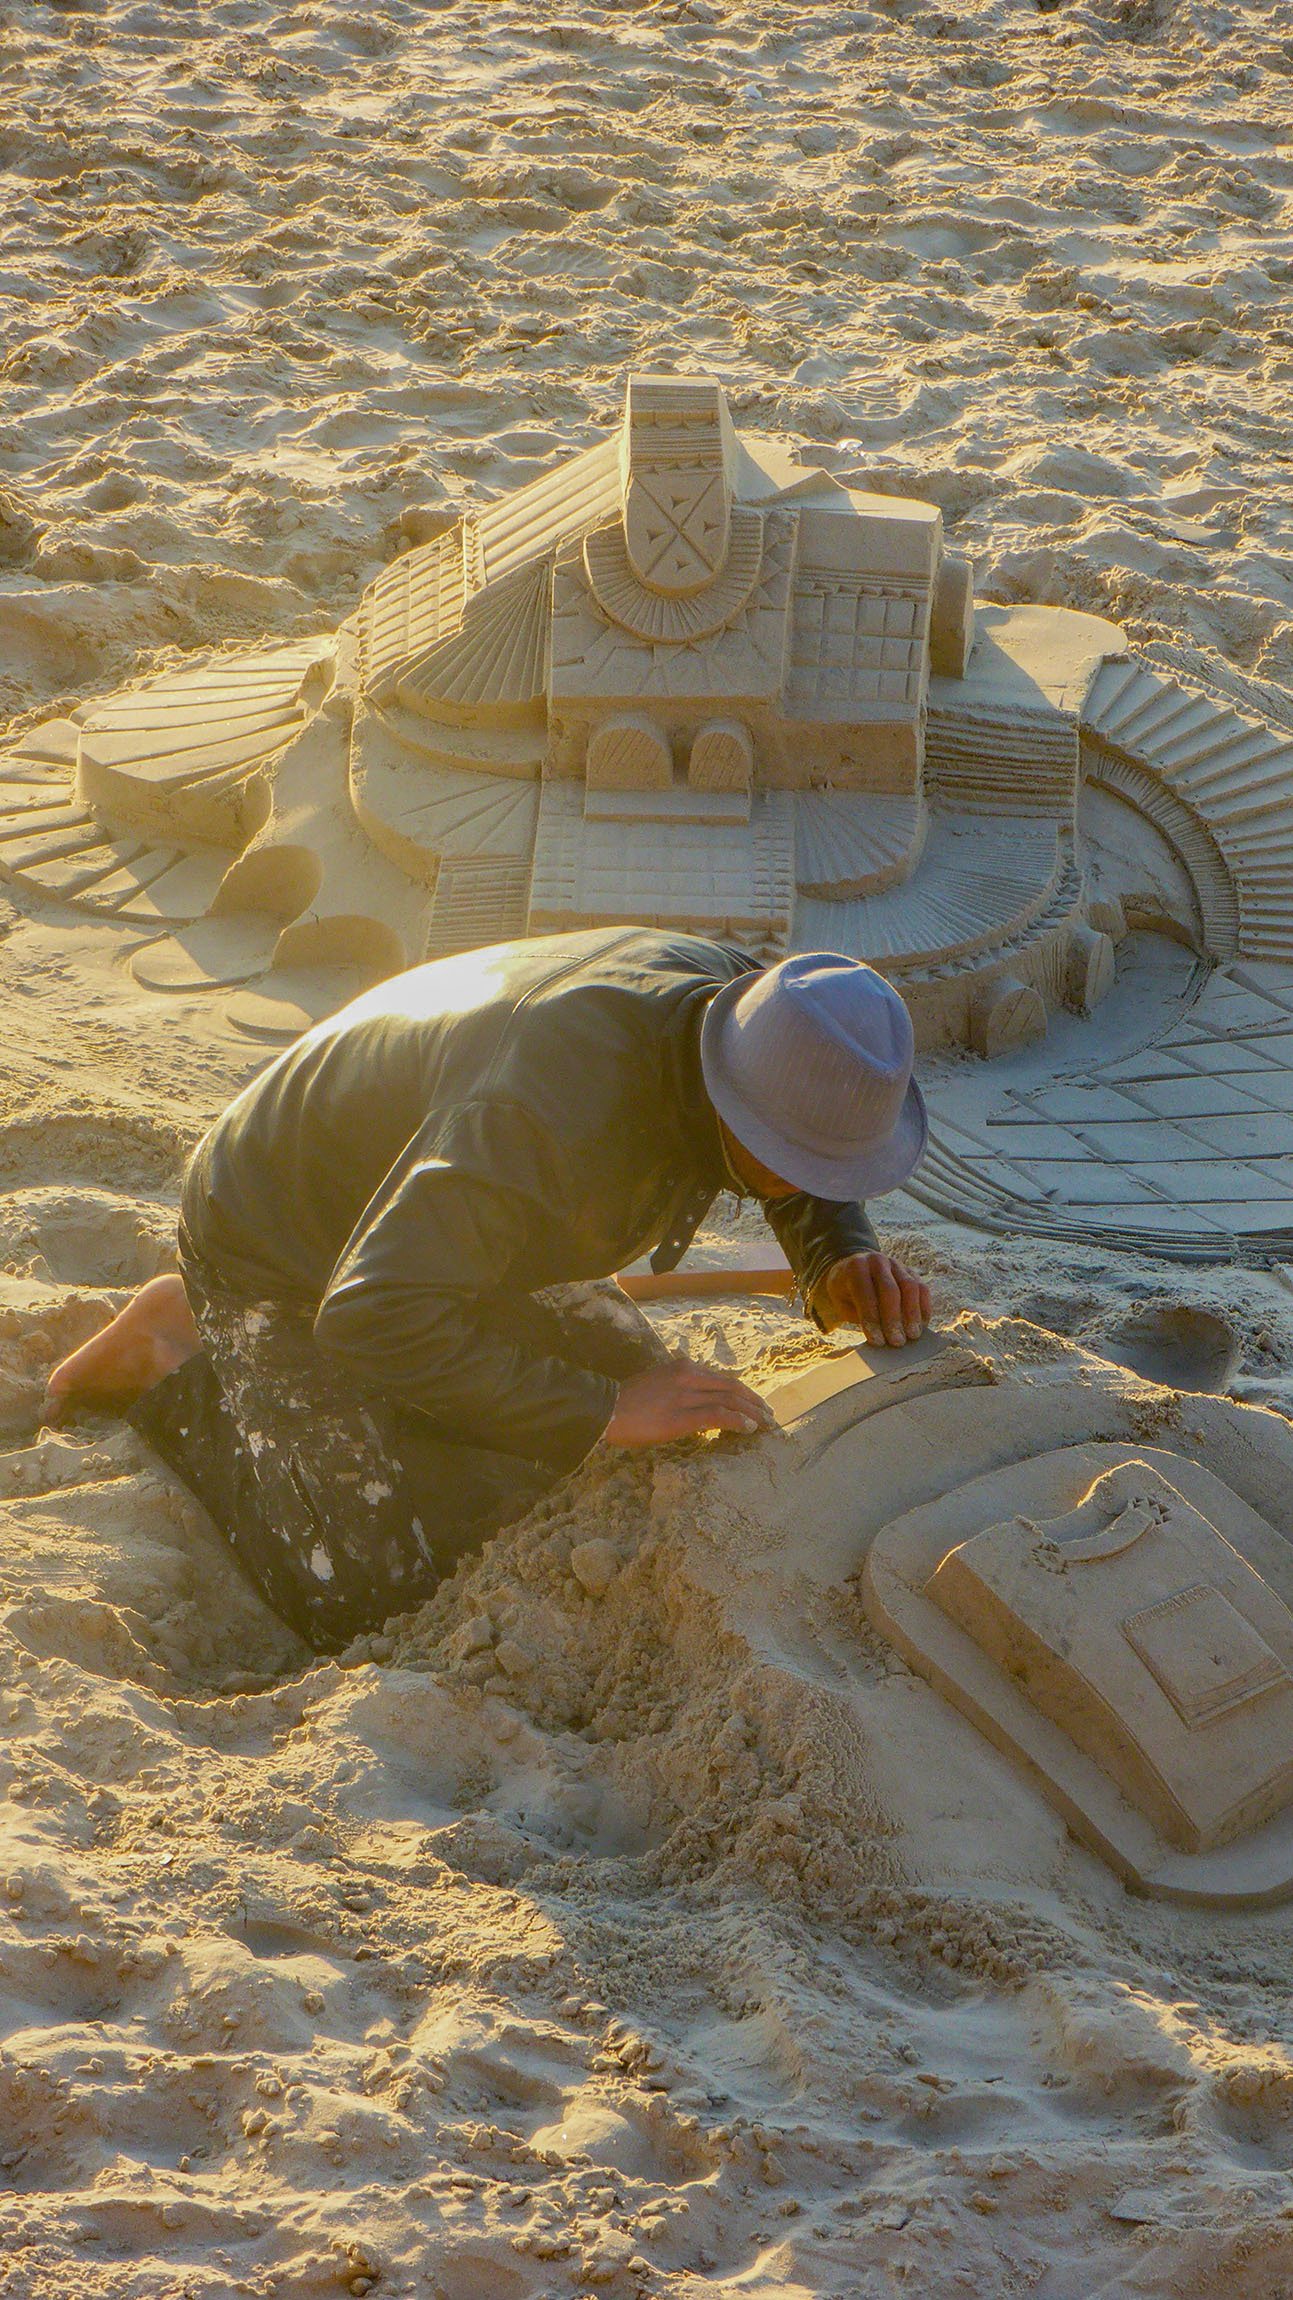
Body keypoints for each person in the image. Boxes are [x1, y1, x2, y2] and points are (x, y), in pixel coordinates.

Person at [48, 927, 931, 1649]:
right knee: (363, 1595)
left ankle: (387, 1379)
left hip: (455, 1224)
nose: (815, 1176)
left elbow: (804, 1128)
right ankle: (178, 1352)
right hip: (281, 1240)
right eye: (799, 1165)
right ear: (729, 1097)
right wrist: (599, 1406)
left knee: (648, 1415)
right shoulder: (539, 1117)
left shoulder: (769, 1011)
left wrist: (832, 1251)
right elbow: (371, 1313)